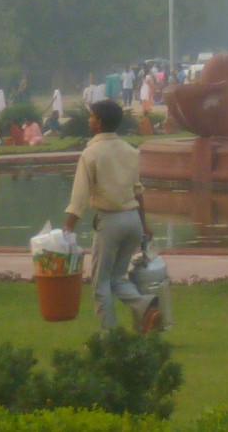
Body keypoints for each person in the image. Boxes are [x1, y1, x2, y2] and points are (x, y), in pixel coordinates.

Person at [62, 100, 154, 331]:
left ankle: (110, 339)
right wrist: (145, 226)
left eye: (92, 117)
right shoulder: (130, 151)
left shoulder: (91, 154)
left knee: (100, 282)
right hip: (133, 220)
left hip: (110, 221)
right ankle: (146, 305)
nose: (89, 120)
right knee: (117, 279)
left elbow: (79, 198)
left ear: (99, 123)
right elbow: (138, 191)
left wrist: (67, 229)